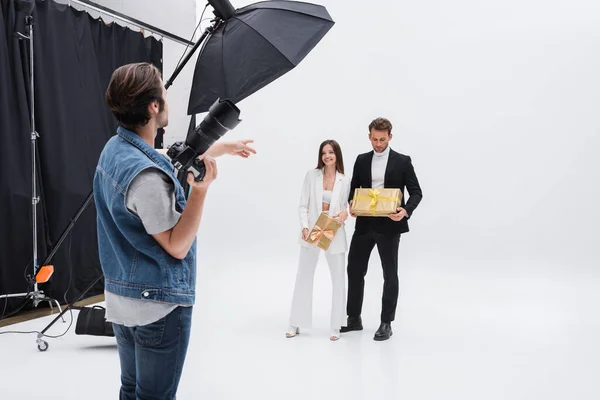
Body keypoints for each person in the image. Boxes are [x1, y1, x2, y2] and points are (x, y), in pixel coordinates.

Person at [93, 62, 256, 399]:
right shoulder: (149, 179)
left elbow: (160, 157)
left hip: (123, 299)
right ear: (154, 107)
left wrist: (220, 147)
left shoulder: (115, 150)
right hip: (156, 307)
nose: (167, 99)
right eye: (164, 94)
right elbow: (177, 244)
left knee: (130, 388)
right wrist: (200, 192)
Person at [341, 117, 422, 341]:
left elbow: (417, 192)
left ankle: (386, 322)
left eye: (382, 139)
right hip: (364, 224)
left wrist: (405, 211)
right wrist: (352, 204)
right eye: (374, 139)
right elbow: (354, 188)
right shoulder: (361, 159)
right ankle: (354, 318)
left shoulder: (403, 161)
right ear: (369, 137)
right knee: (355, 270)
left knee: (389, 274)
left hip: (389, 225)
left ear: (390, 137)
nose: (378, 144)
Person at [286, 140, 351, 341]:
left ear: (337, 155)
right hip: (314, 230)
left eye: (331, 152)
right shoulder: (311, 176)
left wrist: (344, 214)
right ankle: (295, 322)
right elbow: (303, 204)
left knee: (338, 278)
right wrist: (305, 226)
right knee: (303, 274)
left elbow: (349, 206)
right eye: (324, 153)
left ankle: (335, 326)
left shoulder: (344, 180)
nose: (327, 156)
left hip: (334, 230)